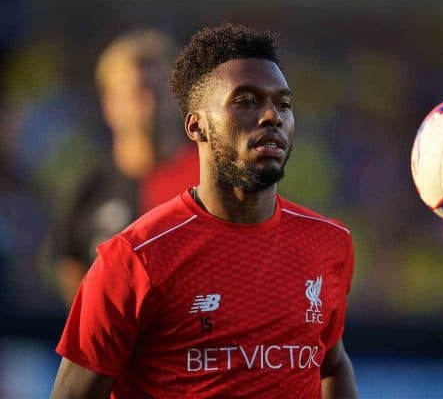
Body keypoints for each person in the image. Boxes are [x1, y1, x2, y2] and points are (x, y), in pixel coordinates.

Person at [50, 24, 358, 398]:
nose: (271, 116)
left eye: (284, 104)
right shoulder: (134, 259)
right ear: (197, 126)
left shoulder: (328, 244)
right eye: (246, 101)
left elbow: (333, 362)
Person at [54, 30, 197, 306]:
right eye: (138, 92)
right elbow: (71, 271)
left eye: (162, 90)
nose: (151, 104)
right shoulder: (90, 188)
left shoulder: (214, 182)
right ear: (110, 104)